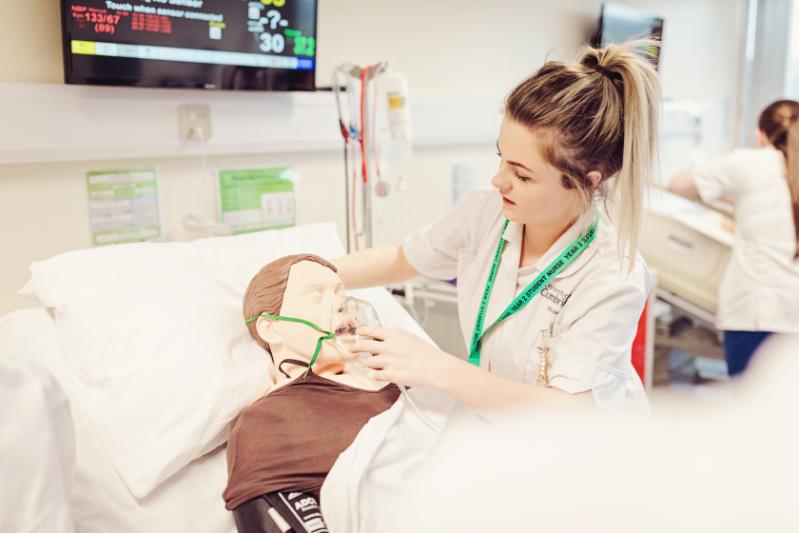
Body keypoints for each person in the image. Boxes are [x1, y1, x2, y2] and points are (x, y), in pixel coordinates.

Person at [332, 40, 661, 413]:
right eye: (501, 157)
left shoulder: (612, 277)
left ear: (587, 181)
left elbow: (567, 413)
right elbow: (402, 259)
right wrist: (310, 270)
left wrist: (439, 368)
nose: (497, 180)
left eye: (521, 175)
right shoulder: (486, 210)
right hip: (500, 431)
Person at [223, 254, 400, 533]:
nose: (341, 304)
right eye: (316, 296)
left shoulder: (403, 375)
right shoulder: (270, 421)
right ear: (271, 327)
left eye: (341, 294)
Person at [668, 100, 799, 376]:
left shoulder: (749, 163)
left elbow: (677, 185)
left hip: (754, 315)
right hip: (791, 314)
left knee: (751, 410)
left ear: (761, 134)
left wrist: (732, 195)